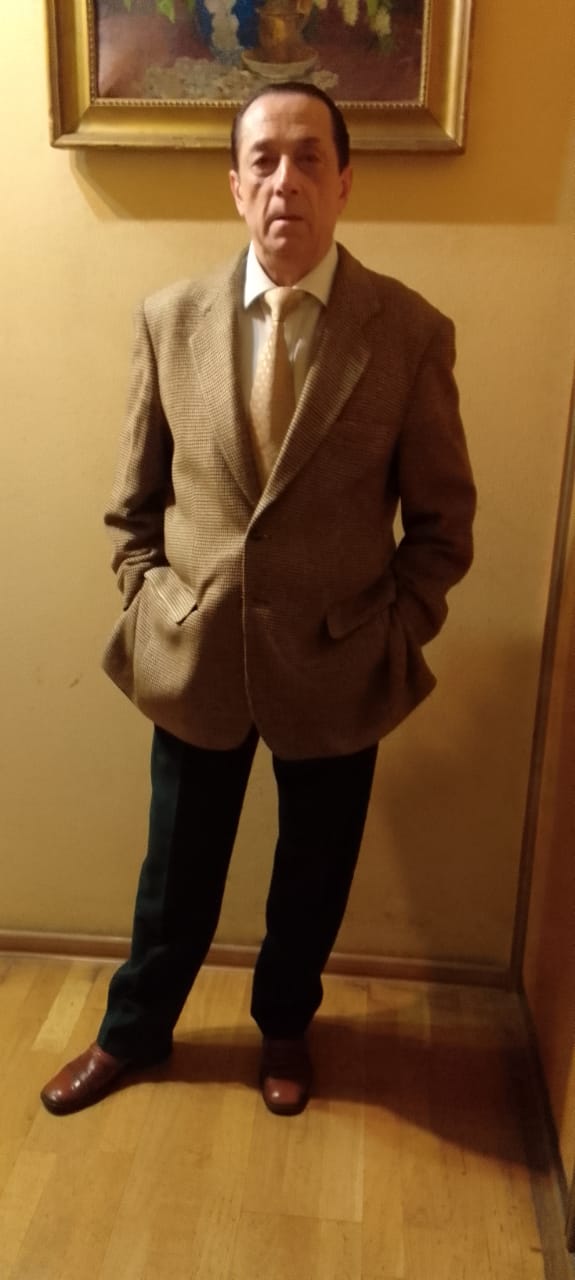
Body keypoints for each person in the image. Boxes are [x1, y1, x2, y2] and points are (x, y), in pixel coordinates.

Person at [41, 82, 475, 1119]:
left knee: (313, 872)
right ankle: (133, 1031)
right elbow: (131, 504)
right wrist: (153, 603)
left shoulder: (408, 332)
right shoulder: (168, 321)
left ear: (344, 181)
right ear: (235, 186)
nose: (286, 180)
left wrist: (392, 629)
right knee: (173, 874)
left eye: (308, 157)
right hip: (194, 653)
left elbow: (442, 524)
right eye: (263, 160)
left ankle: (284, 1026)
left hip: (340, 659)